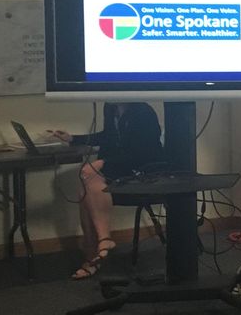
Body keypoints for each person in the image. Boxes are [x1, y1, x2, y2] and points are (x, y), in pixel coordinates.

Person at [50, 102, 164, 280]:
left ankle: (92, 256)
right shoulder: (110, 107)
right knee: (87, 183)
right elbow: (107, 137)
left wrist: (103, 163)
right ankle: (104, 242)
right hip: (122, 168)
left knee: (86, 184)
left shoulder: (144, 111)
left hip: (146, 171)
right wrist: (73, 138)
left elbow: (145, 152)